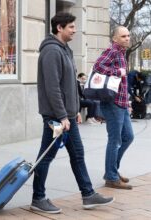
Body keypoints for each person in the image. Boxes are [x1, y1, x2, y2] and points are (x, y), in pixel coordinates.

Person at [32, 12, 114, 214]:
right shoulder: (51, 51)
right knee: (46, 156)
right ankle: (38, 198)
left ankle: (88, 194)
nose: (75, 30)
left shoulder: (65, 50)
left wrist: (75, 110)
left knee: (77, 154)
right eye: (71, 27)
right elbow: (53, 88)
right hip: (55, 117)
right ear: (59, 28)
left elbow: (71, 85)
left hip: (67, 116)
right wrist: (61, 115)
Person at [93, 26, 134, 190]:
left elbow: (123, 83)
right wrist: (118, 71)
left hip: (122, 103)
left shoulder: (122, 53)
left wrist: (128, 102)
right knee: (115, 140)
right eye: (123, 36)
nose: (127, 38)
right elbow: (98, 67)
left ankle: (112, 171)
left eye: (128, 35)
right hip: (112, 103)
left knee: (128, 137)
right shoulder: (112, 51)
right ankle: (110, 176)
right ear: (115, 38)